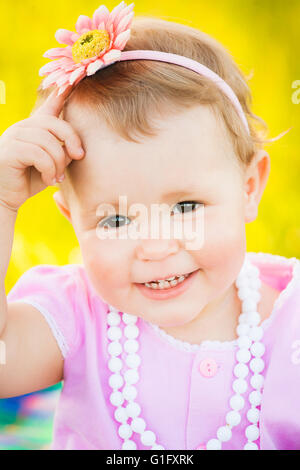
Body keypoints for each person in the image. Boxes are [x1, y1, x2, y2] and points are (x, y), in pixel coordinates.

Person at [0, 1, 299, 450]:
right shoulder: (77, 315)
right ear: (72, 219)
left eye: (186, 206)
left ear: (250, 188)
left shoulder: (289, 323)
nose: (155, 247)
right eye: (116, 219)